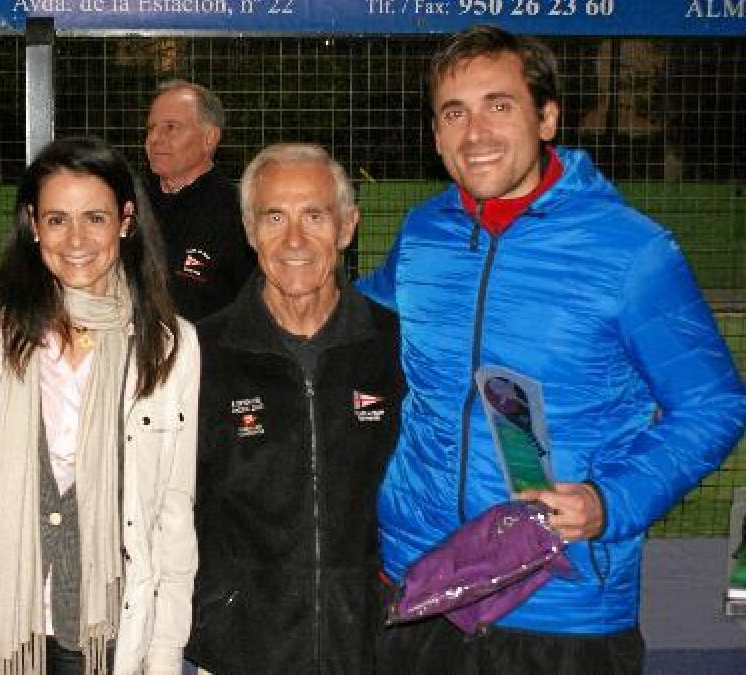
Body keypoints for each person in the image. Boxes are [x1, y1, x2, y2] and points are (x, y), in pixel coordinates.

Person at [358, 25, 746, 674]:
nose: (475, 132)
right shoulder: (422, 233)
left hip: (560, 608)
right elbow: (356, 329)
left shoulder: (632, 252)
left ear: (547, 117)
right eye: (455, 112)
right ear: (435, 134)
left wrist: (609, 500)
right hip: (419, 587)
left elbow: (714, 404)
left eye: (498, 105)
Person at [0, 137, 199, 675]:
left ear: (126, 221)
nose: (76, 239)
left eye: (95, 218)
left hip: (108, 632)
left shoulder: (170, 343)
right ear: (33, 224)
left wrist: (167, 652)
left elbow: (173, 511)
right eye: (57, 219)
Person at [186, 143, 403, 675]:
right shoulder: (198, 356)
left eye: (315, 215)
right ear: (249, 230)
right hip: (239, 649)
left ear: (347, 226)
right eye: (275, 216)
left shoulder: (394, 349)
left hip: (373, 645)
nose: (295, 240)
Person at [144, 80, 255, 322]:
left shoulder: (239, 214)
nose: (155, 138)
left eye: (171, 128)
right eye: (151, 128)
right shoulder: (130, 205)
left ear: (209, 138)